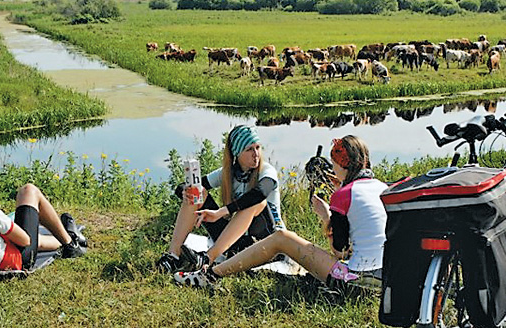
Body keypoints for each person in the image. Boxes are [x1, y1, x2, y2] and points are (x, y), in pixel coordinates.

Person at [174, 135, 387, 292]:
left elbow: (339, 251)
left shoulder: (344, 194)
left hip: (356, 281)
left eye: (333, 165)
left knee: (282, 239)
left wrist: (326, 218)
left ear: (341, 164)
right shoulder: (382, 187)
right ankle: (211, 271)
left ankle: (210, 275)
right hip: (386, 276)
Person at [156, 125, 284, 273]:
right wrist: (184, 190)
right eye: (249, 149)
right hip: (238, 241)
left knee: (255, 202)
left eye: (258, 147)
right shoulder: (227, 173)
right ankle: (173, 256)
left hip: (269, 241)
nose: (256, 154)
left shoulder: (267, 171)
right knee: (197, 191)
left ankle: (206, 259)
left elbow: (260, 193)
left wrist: (223, 211)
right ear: (237, 152)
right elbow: (189, 186)